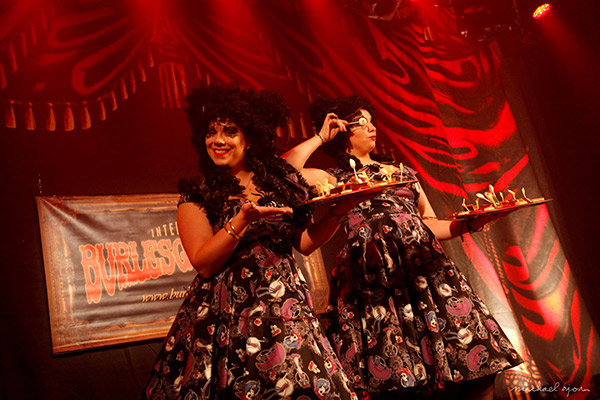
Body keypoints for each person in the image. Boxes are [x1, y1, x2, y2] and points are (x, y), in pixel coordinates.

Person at [282, 95, 523, 400]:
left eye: (372, 121)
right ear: (342, 129)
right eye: (360, 122)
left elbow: (429, 222)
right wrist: (320, 136)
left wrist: (472, 223)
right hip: (376, 282)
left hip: (426, 275)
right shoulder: (332, 178)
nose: (371, 127)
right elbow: (283, 171)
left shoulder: (401, 171)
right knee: (400, 375)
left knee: (476, 362)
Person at [141, 86, 365, 399]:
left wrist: (340, 211)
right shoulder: (199, 194)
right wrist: (242, 220)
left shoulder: (278, 183)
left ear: (250, 137)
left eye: (229, 131)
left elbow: (303, 243)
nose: (218, 140)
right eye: (211, 132)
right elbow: (204, 263)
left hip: (285, 311)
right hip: (226, 317)